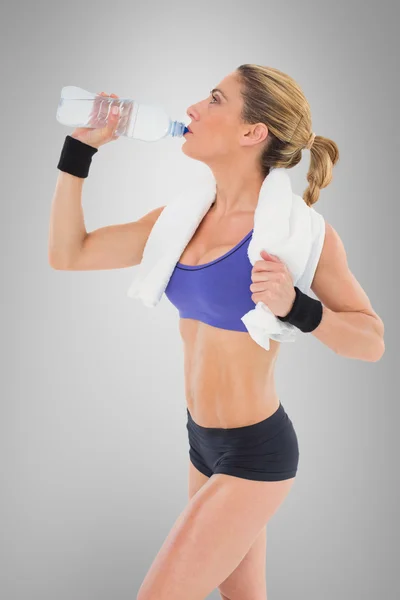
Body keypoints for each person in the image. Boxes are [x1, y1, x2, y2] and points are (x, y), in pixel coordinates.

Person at [49, 64, 385, 600]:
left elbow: (371, 342)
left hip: (256, 453)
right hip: (201, 444)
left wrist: (297, 307)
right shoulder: (179, 220)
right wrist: (79, 151)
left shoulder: (299, 234)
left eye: (214, 99)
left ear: (253, 133)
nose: (192, 110)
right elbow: (69, 254)